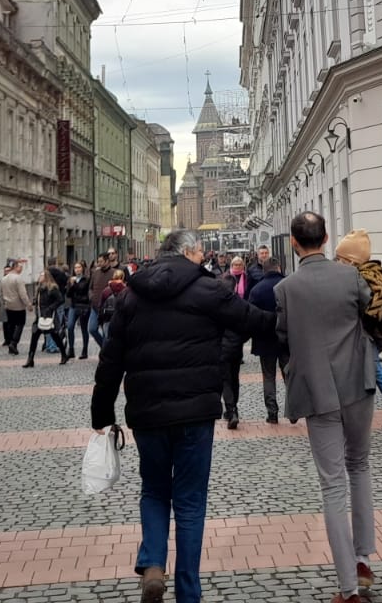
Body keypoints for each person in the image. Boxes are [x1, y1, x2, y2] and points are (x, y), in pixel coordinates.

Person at [91, 229, 274, 603]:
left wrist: (102, 412)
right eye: (200, 251)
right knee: (190, 502)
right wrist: (295, 311)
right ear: (188, 252)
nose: (202, 256)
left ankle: (153, 563)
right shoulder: (208, 289)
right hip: (195, 413)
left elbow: (111, 358)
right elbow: (253, 320)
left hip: (147, 413)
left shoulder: (132, 295)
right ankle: (188, 591)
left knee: (154, 490)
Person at [278, 211, 379, 603]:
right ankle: (363, 559)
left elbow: (283, 339)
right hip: (357, 385)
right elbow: (372, 314)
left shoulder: (286, 289)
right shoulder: (350, 277)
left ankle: (348, 587)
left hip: (317, 393)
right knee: (360, 466)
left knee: (333, 483)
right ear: (325, 239)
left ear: (293, 242)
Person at [335, 230, 382, 430]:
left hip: (366, 331)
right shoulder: (366, 273)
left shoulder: (363, 277)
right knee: (367, 367)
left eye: (340, 259)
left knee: (372, 365)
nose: (337, 262)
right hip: (367, 331)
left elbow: (371, 308)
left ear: (351, 260)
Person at [248, 257, 286, 423]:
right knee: (289, 374)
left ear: (264, 270)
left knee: (269, 376)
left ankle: (272, 412)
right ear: (278, 268)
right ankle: (294, 410)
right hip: (286, 338)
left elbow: (251, 317)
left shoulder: (256, 290)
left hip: (265, 340)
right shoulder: (287, 285)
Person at [218, 255, 254, 427]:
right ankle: (234, 409)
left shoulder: (215, 305)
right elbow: (248, 326)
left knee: (225, 380)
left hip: (221, 348)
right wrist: (240, 339)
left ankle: (231, 410)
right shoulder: (239, 304)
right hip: (236, 347)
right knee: (234, 378)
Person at [26, 268, 70, 367]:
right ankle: (30, 359)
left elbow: (60, 300)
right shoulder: (39, 288)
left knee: (55, 336)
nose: (40, 277)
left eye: (42, 275)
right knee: (34, 336)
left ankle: (64, 354)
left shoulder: (52, 288)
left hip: (50, 316)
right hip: (40, 316)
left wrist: (50, 308)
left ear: (46, 277)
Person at [0, 259, 31, 356]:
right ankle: (14, 342)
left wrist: (4, 303)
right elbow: (23, 294)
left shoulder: (4, 279)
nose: (21, 269)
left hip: (8, 305)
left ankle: (11, 343)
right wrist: (28, 304)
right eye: (20, 267)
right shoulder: (18, 279)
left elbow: (1, 293)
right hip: (18, 306)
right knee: (20, 324)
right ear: (15, 267)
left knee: (10, 325)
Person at [67, 261, 94, 359]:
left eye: (79, 267)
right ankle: (71, 349)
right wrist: (71, 284)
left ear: (82, 268)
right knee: (70, 326)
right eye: (75, 268)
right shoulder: (71, 280)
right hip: (73, 306)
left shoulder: (86, 279)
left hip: (83, 306)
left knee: (84, 328)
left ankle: (84, 350)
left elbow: (83, 290)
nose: (77, 269)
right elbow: (68, 294)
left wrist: (75, 284)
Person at [97, 269, 127, 344]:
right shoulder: (127, 290)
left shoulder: (106, 291)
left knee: (107, 341)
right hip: (122, 320)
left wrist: (100, 320)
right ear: (123, 278)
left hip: (108, 320)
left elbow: (101, 307)